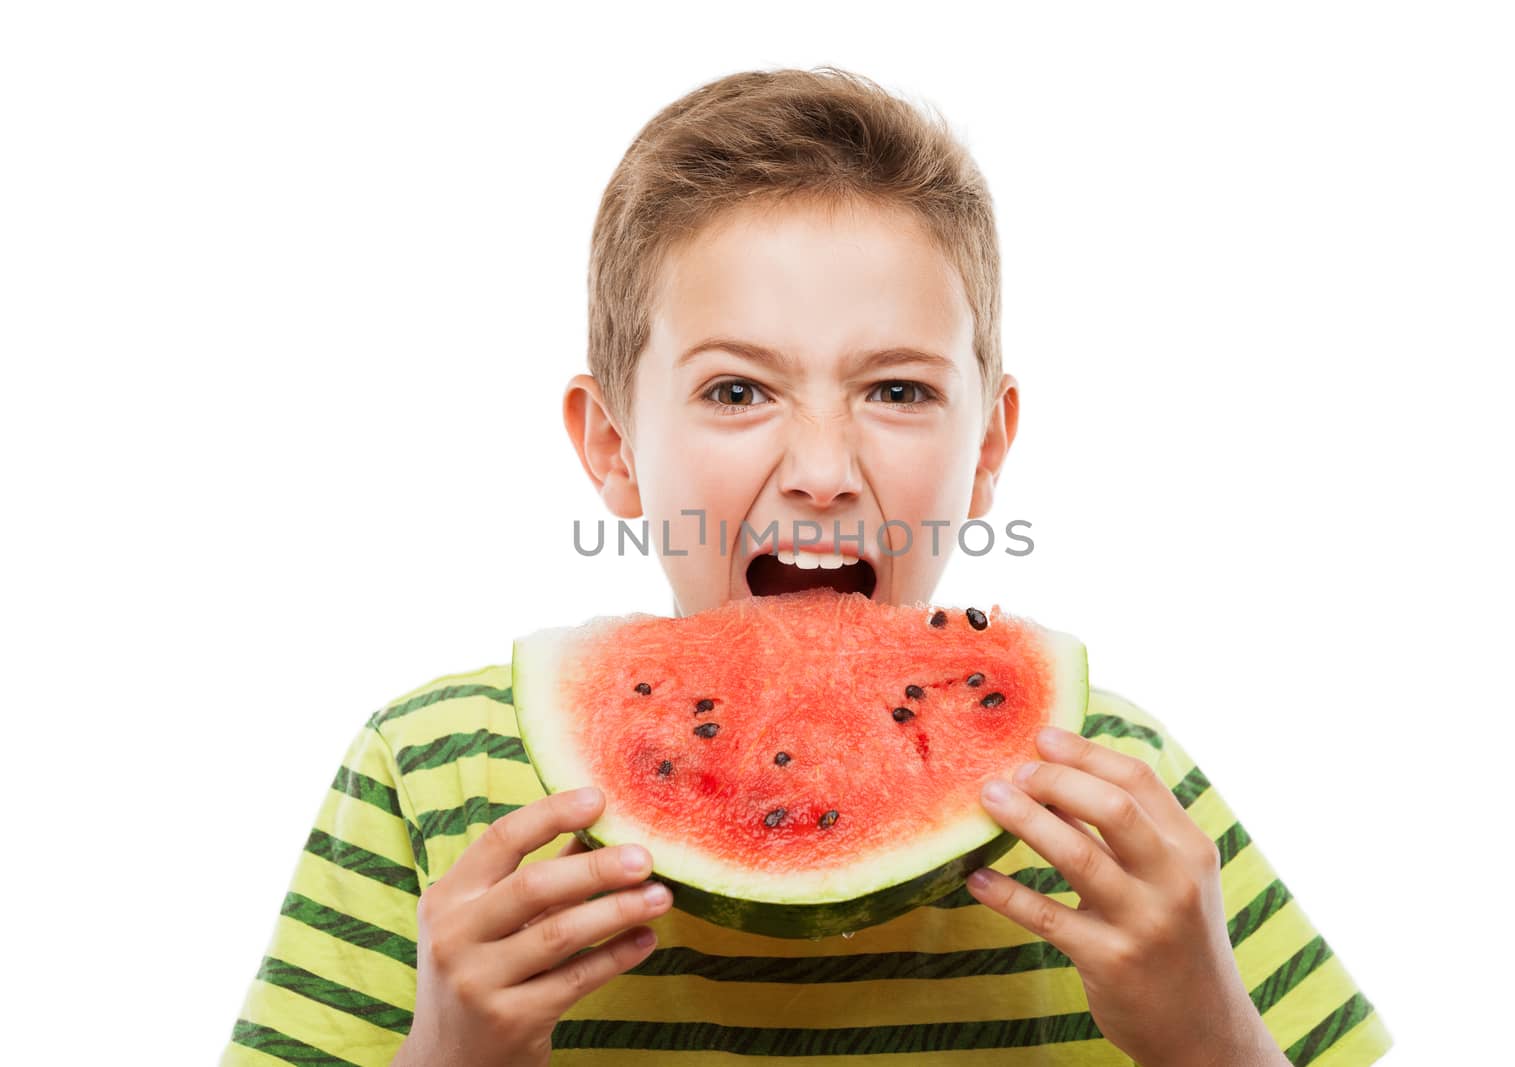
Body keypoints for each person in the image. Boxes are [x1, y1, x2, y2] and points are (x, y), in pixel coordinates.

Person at [222, 66, 1393, 1066]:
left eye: (896, 390)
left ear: (986, 448)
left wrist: (1212, 1039)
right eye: (737, 390)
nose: (822, 468)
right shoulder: (436, 780)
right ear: (612, 447)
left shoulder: (1117, 808)